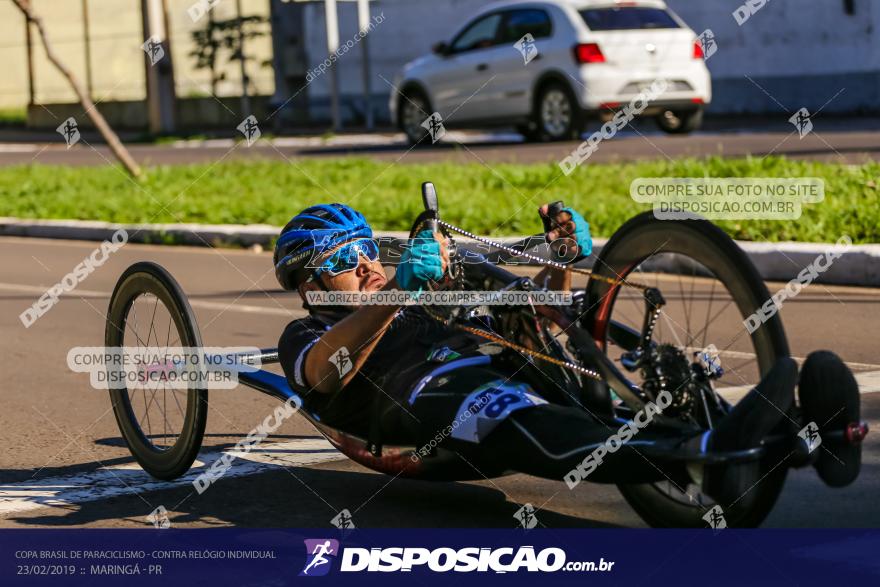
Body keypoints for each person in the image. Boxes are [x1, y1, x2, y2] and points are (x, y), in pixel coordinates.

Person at [275, 202, 795, 499]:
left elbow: (532, 309)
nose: (368, 265)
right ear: (308, 283)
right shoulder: (303, 335)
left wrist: (562, 255)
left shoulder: (414, 296)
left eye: (370, 249)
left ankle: (789, 430)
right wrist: (398, 293)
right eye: (346, 257)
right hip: (433, 397)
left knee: (561, 348)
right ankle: (696, 458)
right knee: (523, 418)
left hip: (507, 360)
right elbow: (325, 376)